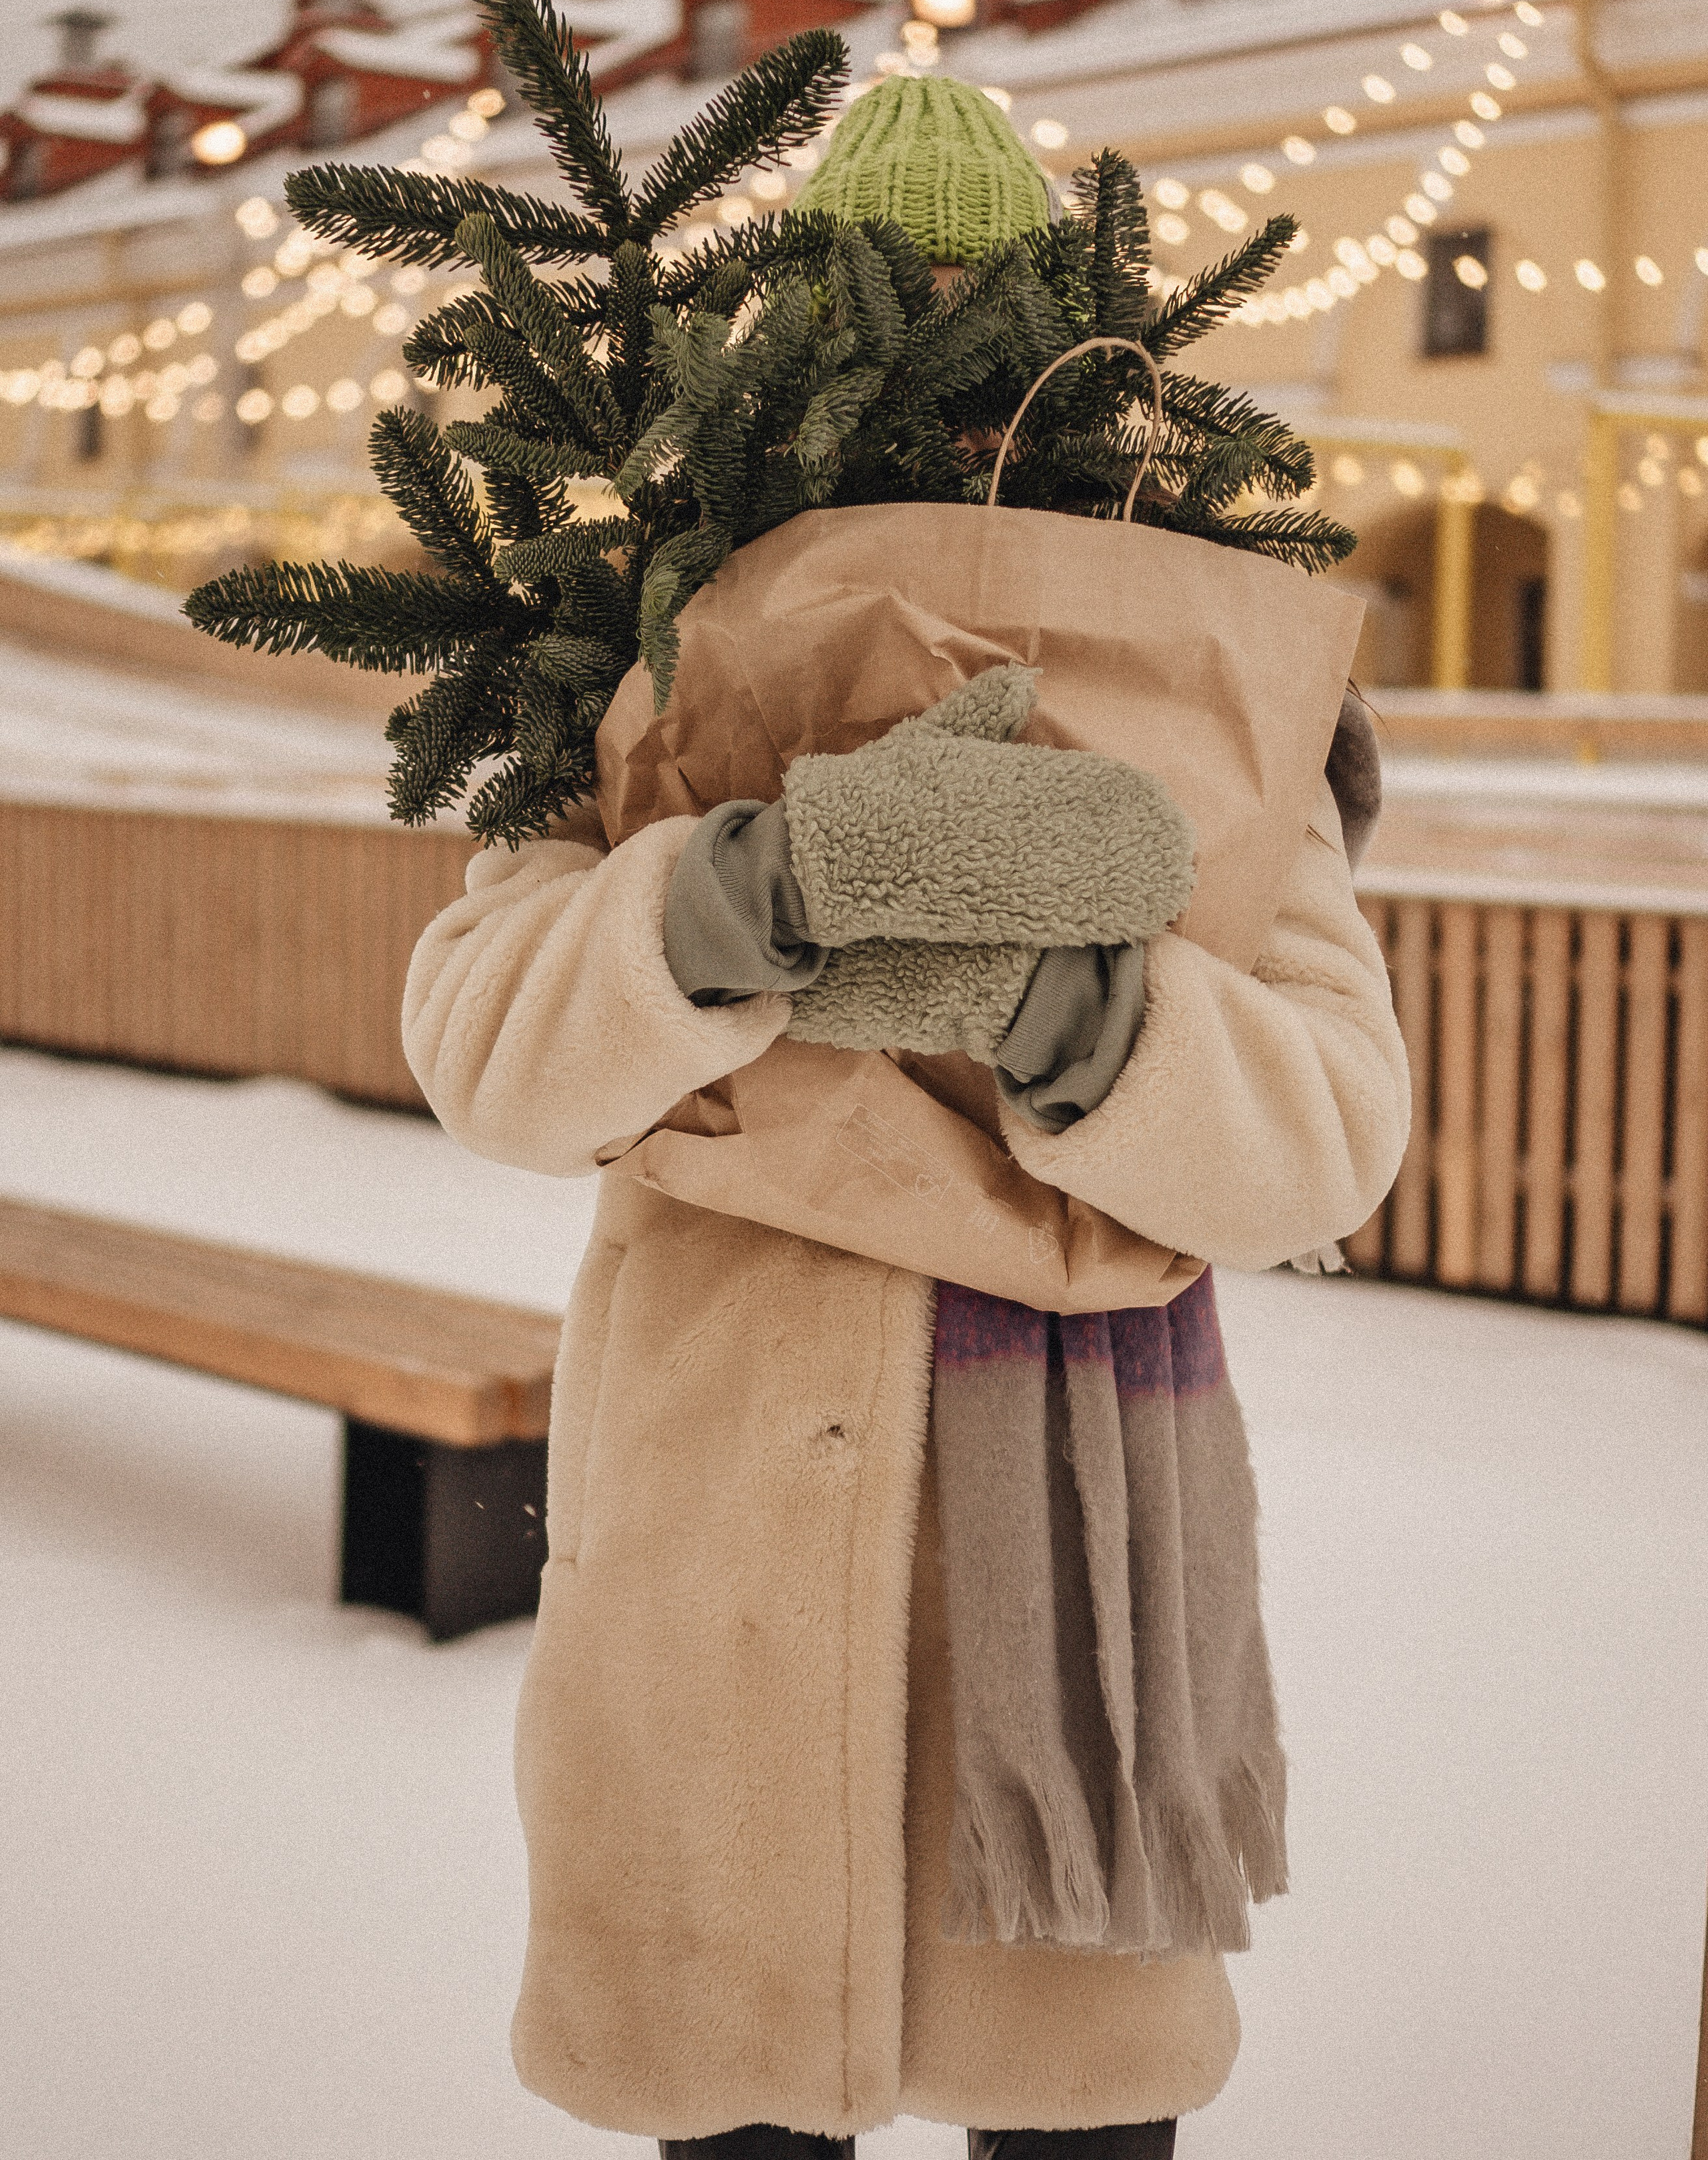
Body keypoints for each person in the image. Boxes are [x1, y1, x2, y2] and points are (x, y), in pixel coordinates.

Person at [402, 614, 1408, 2159]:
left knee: (1076, 2103)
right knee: (733, 2089)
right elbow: (486, 1056)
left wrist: (1062, 1000)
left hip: (1066, 1589)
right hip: (714, 1549)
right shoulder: (663, 649)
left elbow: (1324, 1142)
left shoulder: (1205, 688)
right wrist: (753, 888)